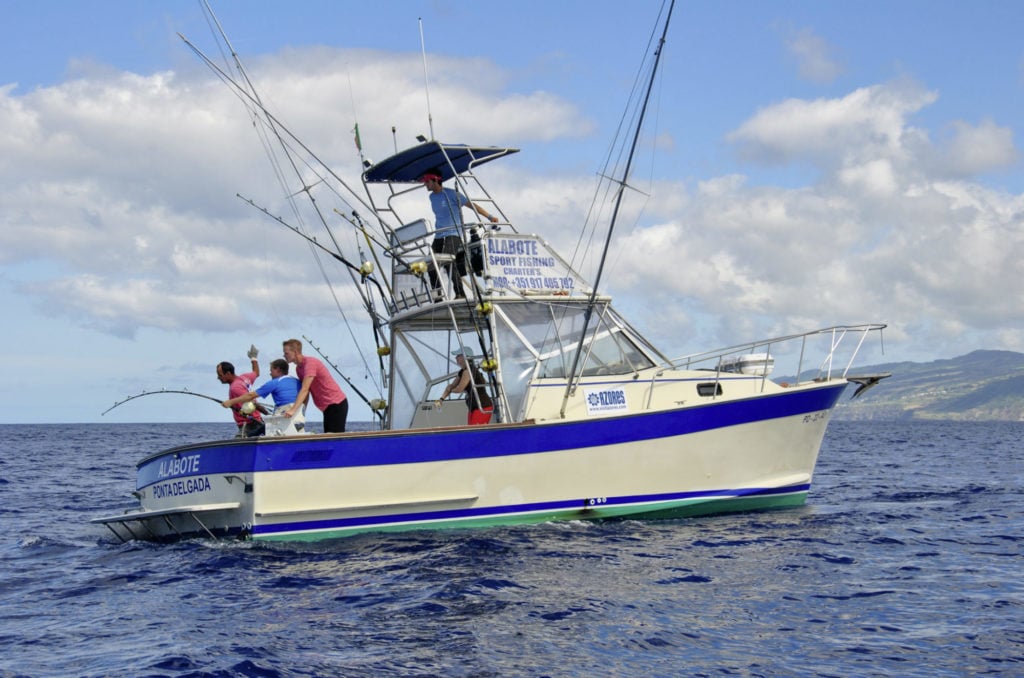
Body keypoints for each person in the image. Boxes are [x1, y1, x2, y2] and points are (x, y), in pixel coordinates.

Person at [420, 168, 498, 298]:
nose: (425, 184)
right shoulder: (432, 197)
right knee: (431, 266)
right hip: (439, 235)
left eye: (427, 181)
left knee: (448, 262)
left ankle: (460, 294)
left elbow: (473, 206)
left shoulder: (451, 194)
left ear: (436, 180)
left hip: (453, 234)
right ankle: (438, 298)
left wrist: (490, 217)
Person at [282, 338, 348, 433]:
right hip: (327, 407)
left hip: (336, 403)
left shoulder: (310, 363)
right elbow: (306, 391)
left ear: (295, 352)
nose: (284, 355)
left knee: (334, 438)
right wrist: (302, 411)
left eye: (286, 353)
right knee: (328, 436)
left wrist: (293, 410)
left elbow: (304, 389)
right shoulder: (298, 369)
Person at [216, 344, 265, 438]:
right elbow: (256, 373)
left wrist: (232, 404)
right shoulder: (245, 378)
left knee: (236, 446)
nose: (218, 378)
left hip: (250, 424)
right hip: (258, 422)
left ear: (228, 373)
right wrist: (253, 358)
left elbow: (252, 402)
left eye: (220, 375)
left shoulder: (235, 387)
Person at [437, 347, 494, 425]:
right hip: (474, 407)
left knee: (474, 432)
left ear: (466, 357)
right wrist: (441, 399)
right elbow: (453, 385)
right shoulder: (462, 371)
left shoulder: (468, 372)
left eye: (458, 356)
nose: (456, 358)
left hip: (483, 406)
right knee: (470, 430)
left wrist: (451, 389)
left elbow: (459, 389)